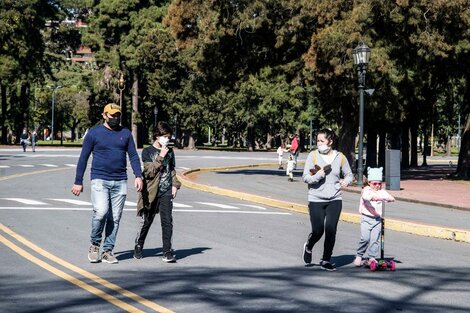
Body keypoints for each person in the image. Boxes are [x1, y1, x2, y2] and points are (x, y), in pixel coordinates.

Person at [71, 103, 143, 264]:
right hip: (99, 179)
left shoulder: (125, 133)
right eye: (112, 116)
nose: (115, 118)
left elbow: (132, 156)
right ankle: (95, 245)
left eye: (118, 115)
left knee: (115, 217)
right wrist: (78, 181)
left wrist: (138, 175)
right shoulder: (94, 133)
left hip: (120, 180)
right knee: (101, 212)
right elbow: (83, 157)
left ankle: (107, 251)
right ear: (104, 115)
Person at [301, 128, 354, 271]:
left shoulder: (340, 157)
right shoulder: (312, 156)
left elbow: (349, 174)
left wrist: (346, 181)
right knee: (318, 231)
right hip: (316, 198)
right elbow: (305, 177)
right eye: (317, 141)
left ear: (330, 141)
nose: (319, 143)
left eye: (321, 141)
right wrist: (318, 175)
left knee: (331, 229)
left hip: (335, 198)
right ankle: (309, 246)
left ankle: (326, 259)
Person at [134, 121, 181, 263]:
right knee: (147, 221)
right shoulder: (147, 151)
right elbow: (149, 172)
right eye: (165, 136)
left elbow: (171, 169)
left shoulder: (170, 151)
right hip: (151, 191)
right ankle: (139, 244)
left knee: (167, 222)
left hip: (166, 190)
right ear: (157, 136)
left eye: (169, 137)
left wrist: (175, 185)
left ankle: (167, 251)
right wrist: (160, 156)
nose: (167, 139)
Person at [353, 167, 395, 267]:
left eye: (379, 183)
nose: (377, 186)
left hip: (377, 219)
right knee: (365, 238)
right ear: (369, 183)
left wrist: (390, 199)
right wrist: (372, 197)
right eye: (374, 183)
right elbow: (365, 196)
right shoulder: (366, 190)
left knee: (375, 240)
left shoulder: (382, 191)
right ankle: (359, 255)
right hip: (366, 219)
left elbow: (390, 197)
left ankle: (372, 257)